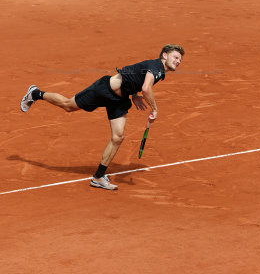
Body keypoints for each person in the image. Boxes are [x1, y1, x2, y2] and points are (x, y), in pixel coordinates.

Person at [20, 44, 184, 190]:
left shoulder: (156, 70)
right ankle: (36, 93)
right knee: (68, 106)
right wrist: (154, 109)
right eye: (175, 57)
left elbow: (133, 75)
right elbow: (146, 88)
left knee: (118, 137)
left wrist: (134, 94)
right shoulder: (156, 66)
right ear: (164, 55)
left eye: (179, 60)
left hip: (119, 99)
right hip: (103, 90)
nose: (177, 61)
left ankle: (98, 177)